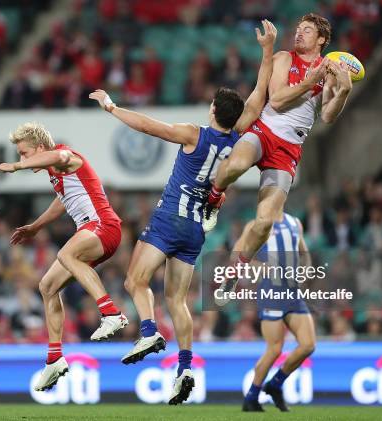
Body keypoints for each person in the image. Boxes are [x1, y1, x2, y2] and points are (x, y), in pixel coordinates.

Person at [89, 20, 277, 405]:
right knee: (177, 300)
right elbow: (259, 95)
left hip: (170, 217)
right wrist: (267, 51)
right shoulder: (238, 137)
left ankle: (148, 330)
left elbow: (147, 126)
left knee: (134, 282)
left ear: (212, 109)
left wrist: (111, 106)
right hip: (196, 229)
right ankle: (186, 367)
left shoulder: (194, 133)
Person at [203, 13, 353, 266]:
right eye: (298, 28)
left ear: (321, 40)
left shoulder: (328, 75)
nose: (298, 33)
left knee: (265, 222)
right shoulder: (284, 58)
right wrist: (310, 82)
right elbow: (278, 100)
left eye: (306, 30)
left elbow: (327, 116)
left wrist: (343, 93)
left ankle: (238, 267)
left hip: (289, 150)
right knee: (237, 165)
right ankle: (214, 198)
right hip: (264, 132)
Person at [0, 122, 126, 391]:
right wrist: (36, 227)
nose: (22, 159)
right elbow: (61, 200)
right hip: (93, 233)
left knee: (66, 254)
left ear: (40, 148)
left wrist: (14, 168)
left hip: (102, 226)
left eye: (24, 153)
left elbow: (58, 156)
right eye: (19, 156)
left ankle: (111, 313)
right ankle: (54, 358)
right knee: (47, 286)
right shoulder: (57, 174)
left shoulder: (65, 156)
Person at [221, 212, 315, 412]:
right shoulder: (255, 225)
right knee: (274, 349)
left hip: (293, 292)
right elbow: (235, 255)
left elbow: (304, 253)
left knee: (308, 345)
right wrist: (260, 267)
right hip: (271, 292)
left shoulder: (294, 222)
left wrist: (306, 272)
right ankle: (251, 397)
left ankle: (274, 384)